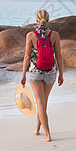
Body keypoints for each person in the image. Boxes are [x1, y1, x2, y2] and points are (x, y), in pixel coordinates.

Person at [20, 9, 63, 142]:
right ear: (48, 20)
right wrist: (61, 73)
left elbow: (27, 56)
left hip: (35, 73)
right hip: (51, 72)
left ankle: (47, 134)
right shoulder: (54, 35)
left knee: (40, 102)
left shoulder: (31, 35)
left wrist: (23, 75)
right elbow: (59, 56)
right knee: (43, 103)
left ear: (36, 21)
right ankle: (37, 129)